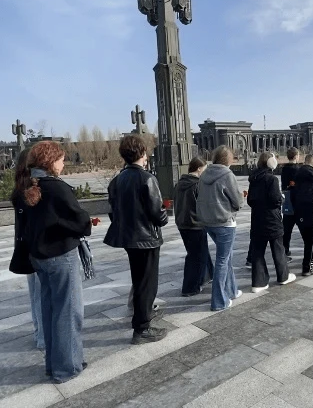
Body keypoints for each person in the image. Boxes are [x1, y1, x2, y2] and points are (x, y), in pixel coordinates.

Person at [23, 141, 93, 381]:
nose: (63, 164)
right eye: (61, 160)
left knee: (50, 310)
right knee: (69, 311)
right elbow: (80, 221)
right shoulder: (56, 188)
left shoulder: (29, 186)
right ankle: (67, 367)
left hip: (39, 257)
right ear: (50, 161)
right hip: (61, 256)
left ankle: (54, 364)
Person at [105, 135, 168, 344]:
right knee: (147, 282)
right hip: (146, 237)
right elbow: (157, 212)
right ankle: (142, 327)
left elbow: (113, 210)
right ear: (142, 153)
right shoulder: (146, 178)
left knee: (139, 279)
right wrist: (163, 217)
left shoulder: (118, 179)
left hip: (129, 237)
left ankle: (144, 313)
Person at [197, 146, 244, 311]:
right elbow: (238, 201)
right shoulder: (227, 175)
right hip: (225, 222)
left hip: (208, 222)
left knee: (226, 257)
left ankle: (231, 291)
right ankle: (219, 301)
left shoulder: (204, 174)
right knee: (223, 260)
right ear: (228, 160)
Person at [8, 149, 44, 350]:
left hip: (26, 249)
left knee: (35, 294)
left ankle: (39, 333)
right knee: (41, 294)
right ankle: (43, 337)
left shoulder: (20, 189)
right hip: (37, 249)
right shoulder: (32, 191)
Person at [247, 152, 296, 292]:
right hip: (272, 219)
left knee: (257, 251)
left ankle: (258, 283)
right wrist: (282, 198)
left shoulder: (253, 178)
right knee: (278, 248)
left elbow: (250, 200)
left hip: (257, 218)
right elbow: (275, 200)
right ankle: (283, 276)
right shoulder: (271, 179)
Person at [174, 157, 213, 297]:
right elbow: (203, 205)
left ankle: (209, 275)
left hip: (182, 223)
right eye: (204, 169)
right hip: (195, 224)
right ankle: (190, 287)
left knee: (199, 252)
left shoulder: (180, 183)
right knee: (196, 256)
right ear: (199, 168)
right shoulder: (197, 184)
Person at [280, 147, 301, 259]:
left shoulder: (284, 169)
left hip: (287, 199)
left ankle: (285, 249)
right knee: (304, 226)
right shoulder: (298, 169)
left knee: (287, 227)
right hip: (297, 200)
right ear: (296, 156)